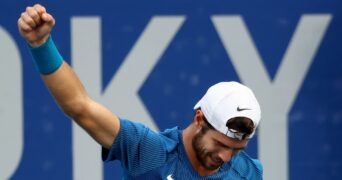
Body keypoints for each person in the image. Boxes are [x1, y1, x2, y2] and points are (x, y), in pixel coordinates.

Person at [18, 4, 263, 179]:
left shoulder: (247, 173)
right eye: (221, 144)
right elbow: (79, 106)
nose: (227, 157)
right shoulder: (149, 152)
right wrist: (41, 45)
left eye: (236, 150)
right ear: (199, 119)